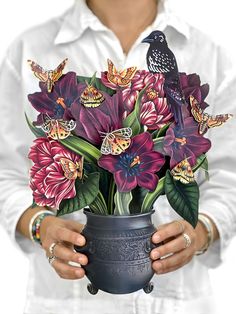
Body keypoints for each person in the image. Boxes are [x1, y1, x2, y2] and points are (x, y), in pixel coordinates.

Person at [0, 0, 235, 313]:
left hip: (179, 302)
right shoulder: (30, 47)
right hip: (66, 303)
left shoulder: (210, 52)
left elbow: (228, 174)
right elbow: (7, 171)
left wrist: (202, 230)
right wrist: (40, 227)